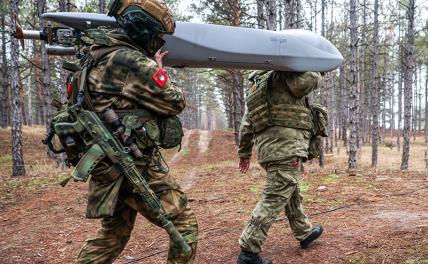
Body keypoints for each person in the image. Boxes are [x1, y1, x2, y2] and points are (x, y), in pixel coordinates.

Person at [74, 0, 198, 263]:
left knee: (113, 234)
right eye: (158, 34)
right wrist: (158, 69)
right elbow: (175, 101)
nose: (161, 40)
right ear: (143, 30)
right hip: (132, 160)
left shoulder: (96, 54)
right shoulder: (130, 59)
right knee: (184, 224)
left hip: (107, 163)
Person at [236, 70, 324, 264]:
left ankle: (304, 232)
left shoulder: (256, 87)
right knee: (274, 198)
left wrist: (244, 153)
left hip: (270, 151)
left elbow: (246, 125)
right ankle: (248, 251)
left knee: (289, 190)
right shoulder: (283, 75)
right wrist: (318, 69)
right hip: (287, 147)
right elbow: (304, 83)